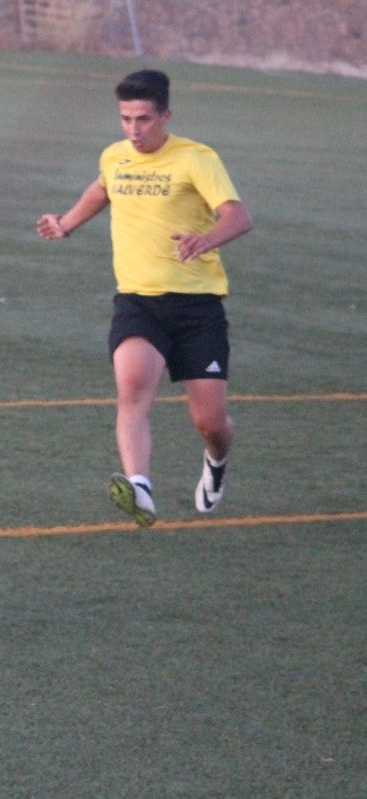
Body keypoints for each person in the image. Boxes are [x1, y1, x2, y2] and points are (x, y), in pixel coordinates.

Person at [36, 69, 252, 527]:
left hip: (197, 306)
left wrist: (205, 240)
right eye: (126, 119)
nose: (134, 130)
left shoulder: (196, 158)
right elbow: (101, 190)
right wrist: (66, 223)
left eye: (144, 119)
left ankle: (216, 463)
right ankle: (140, 488)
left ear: (166, 115)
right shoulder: (116, 157)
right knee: (131, 392)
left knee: (210, 423)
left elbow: (238, 217)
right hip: (138, 301)